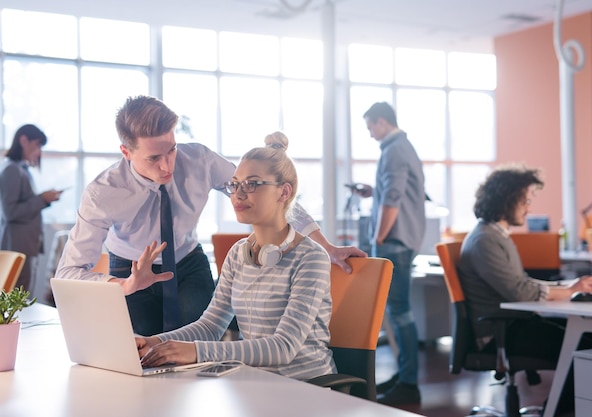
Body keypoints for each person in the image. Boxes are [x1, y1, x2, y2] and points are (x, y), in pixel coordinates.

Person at [56, 95, 364, 337]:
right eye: (153, 157)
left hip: (188, 263)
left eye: (171, 150)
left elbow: (268, 192)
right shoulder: (102, 193)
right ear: (126, 152)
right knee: (141, 355)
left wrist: (327, 245)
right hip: (131, 270)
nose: (167, 166)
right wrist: (123, 285)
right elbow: (68, 272)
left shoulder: (199, 160)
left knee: (199, 348)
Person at [136, 132, 336, 380]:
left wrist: (196, 352)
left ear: (284, 192)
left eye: (252, 184)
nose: (238, 195)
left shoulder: (310, 258)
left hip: (308, 388)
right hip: (256, 384)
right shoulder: (239, 254)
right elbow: (210, 326)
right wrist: (154, 341)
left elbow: (284, 348)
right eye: (235, 184)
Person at [457, 164, 592, 412]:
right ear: (506, 201)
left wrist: (568, 287)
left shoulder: (495, 235)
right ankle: (558, 412)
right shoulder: (485, 240)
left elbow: (522, 284)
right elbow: (519, 292)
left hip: (514, 323)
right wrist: (570, 291)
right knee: (588, 347)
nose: (529, 209)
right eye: (524, 201)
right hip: (499, 333)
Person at [353, 102, 425, 405]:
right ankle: (405, 375)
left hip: (393, 241)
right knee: (398, 313)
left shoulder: (394, 150)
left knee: (399, 313)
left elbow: (393, 198)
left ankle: (409, 382)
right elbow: (393, 191)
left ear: (382, 122)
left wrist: (378, 239)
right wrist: (374, 192)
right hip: (402, 239)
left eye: (371, 127)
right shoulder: (403, 147)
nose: (370, 134)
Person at [0, 124, 63, 294]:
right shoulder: (12, 170)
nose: (38, 152)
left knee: (23, 297)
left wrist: (43, 200)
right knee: (19, 299)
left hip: (25, 245)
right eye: (37, 145)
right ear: (23, 140)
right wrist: (42, 199)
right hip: (17, 246)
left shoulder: (21, 169)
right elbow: (10, 212)